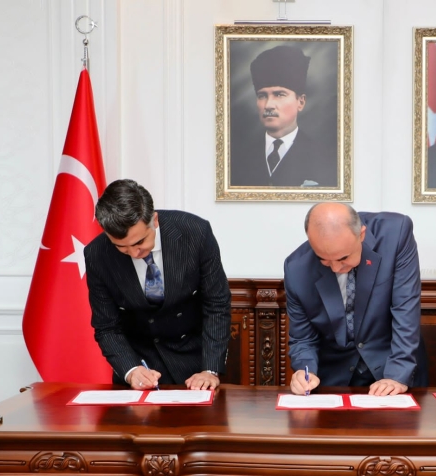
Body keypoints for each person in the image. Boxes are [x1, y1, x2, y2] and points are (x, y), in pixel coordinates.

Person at [84, 179, 232, 390]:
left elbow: (216, 305)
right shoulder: (97, 254)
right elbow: (106, 326)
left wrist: (210, 369)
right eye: (122, 247)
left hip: (195, 364)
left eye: (139, 242)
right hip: (140, 366)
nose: (134, 253)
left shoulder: (195, 233)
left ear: (154, 220)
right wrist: (131, 370)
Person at [284, 203, 427, 395]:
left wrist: (397, 375)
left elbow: (405, 310)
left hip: (393, 366)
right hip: (335, 379)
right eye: (324, 259)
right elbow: (303, 338)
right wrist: (304, 371)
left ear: (361, 235)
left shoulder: (395, 233)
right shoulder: (296, 269)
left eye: (343, 258)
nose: (335, 268)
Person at [231, 44, 337, 188]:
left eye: (279, 95)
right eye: (262, 96)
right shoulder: (237, 158)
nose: (268, 105)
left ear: (300, 102)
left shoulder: (324, 158)